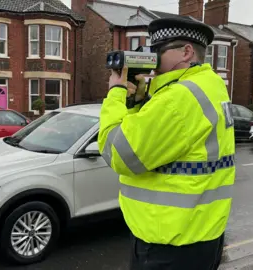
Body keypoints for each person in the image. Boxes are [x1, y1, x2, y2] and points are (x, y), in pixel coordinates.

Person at [97, 16, 236, 270]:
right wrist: (139, 101)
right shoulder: (210, 84)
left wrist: (115, 94)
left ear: (186, 52)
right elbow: (166, 142)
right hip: (201, 232)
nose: (153, 58)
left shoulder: (178, 98)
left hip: (169, 244)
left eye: (159, 50)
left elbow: (119, 153)